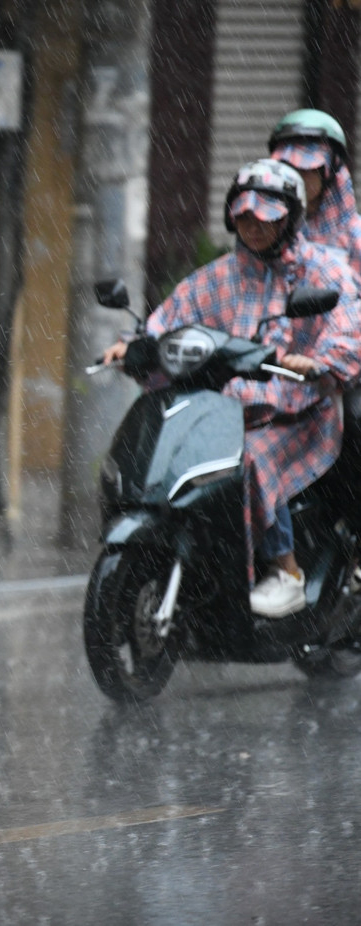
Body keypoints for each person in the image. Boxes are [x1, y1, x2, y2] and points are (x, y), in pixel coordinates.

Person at [103, 159, 361, 617]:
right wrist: (132, 346)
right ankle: (207, 570)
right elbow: (170, 318)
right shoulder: (220, 275)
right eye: (244, 217)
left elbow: (349, 323)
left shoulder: (323, 271)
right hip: (227, 412)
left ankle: (287, 573)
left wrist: (320, 359)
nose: (253, 227)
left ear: (291, 219)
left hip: (301, 413)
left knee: (249, 464)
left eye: (265, 218)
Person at [268, 108, 361, 277]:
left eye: (307, 169)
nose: (295, 178)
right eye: (287, 168)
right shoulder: (264, 230)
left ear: (330, 172)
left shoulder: (356, 237)